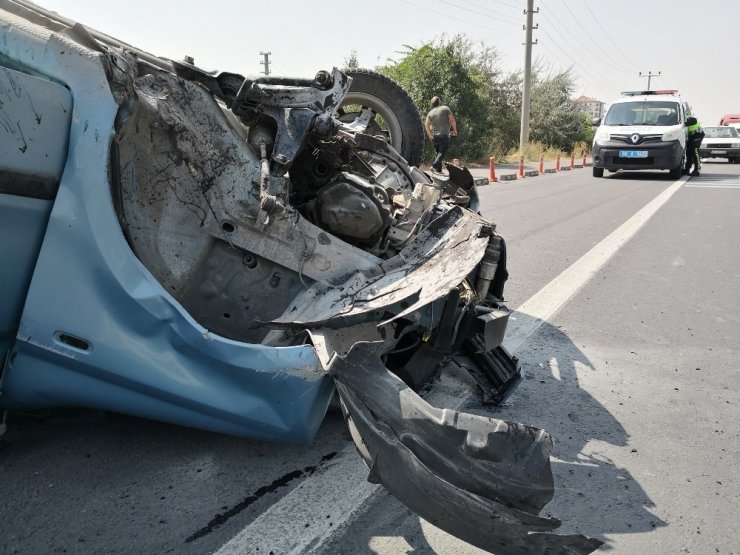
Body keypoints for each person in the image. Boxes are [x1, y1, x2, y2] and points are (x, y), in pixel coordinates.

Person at [424, 96, 457, 172]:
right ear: (439, 102)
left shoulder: (430, 113)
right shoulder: (445, 108)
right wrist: (454, 130)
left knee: (438, 153)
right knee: (442, 152)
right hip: (444, 135)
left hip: (435, 137)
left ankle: (439, 171)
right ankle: (435, 166)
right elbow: (452, 120)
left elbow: (426, 124)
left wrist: (430, 135)